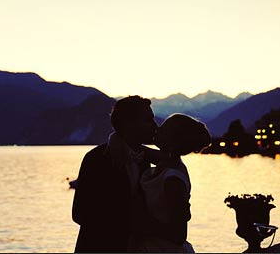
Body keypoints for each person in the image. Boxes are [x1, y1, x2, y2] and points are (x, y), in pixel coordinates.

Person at [72, 96, 158, 253]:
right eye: (148, 120)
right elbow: (79, 213)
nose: (155, 126)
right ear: (129, 124)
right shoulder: (97, 158)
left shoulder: (143, 159)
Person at [129, 113, 212, 253]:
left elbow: (179, 234)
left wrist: (141, 223)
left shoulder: (173, 179)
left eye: (164, 129)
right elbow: (133, 148)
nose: (157, 128)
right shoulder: (166, 162)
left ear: (173, 140)